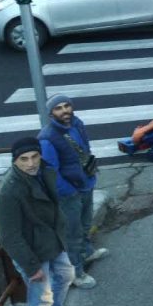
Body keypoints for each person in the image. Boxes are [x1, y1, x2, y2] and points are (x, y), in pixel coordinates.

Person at [0, 137, 76, 306]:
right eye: (24, 159)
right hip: (31, 250)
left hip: (50, 241)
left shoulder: (43, 172)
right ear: (14, 161)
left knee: (66, 275)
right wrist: (32, 267)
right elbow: (9, 237)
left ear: (40, 155)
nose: (31, 163)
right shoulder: (8, 193)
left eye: (35, 156)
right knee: (41, 300)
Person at [38, 95, 108, 290]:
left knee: (85, 224)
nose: (64, 110)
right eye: (58, 108)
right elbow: (50, 173)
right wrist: (70, 191)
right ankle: (75, 273)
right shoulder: (47, 138)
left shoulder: (77, 124)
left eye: (66, 105)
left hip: (85, 183)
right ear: (51, 113)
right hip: (69, 193)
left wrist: (89, 177)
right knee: (72, 234)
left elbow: (84, 150)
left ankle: (86, 253)